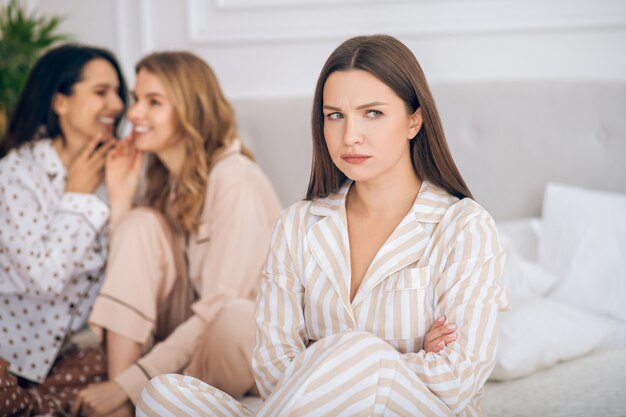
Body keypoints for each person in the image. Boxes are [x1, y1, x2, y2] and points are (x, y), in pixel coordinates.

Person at [136, 34, 508, 417]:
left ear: (414, 120)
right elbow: (270, 370)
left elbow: (457, 379)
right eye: (335, 115)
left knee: (357, 350)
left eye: (373, 113)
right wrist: (408, 358)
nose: (350, 136)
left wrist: (355, 357)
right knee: (161, 394)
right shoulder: (296, 225)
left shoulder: (463, 226)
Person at [72, 51, 282, 417]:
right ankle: (126, 406)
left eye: (154, 102)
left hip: (236, 344)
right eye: (137, 99)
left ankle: (136, 395)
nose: (133, 114)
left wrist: (124, 385)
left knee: (236, 315)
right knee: (139, 223)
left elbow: (218, 309)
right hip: (181, 338)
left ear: (191, 110)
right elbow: (134, 279)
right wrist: (120, 200)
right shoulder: (162, 179)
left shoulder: (235, 178)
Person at [0, 44, 139, 416]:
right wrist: (77, 195)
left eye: (117, 93)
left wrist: (120, 199)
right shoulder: (16, 175)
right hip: (12, 357)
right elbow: (42, 278)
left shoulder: (119, 169)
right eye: (100, 92)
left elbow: (127, 279)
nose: (116, 105)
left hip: (75, 360)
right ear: (60, 102)